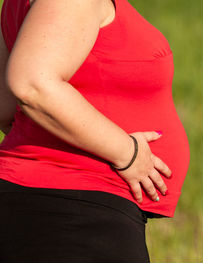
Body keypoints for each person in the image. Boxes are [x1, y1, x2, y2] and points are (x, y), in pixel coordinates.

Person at [0, 0, 190, 262]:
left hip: (43, 204)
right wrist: (128, 154)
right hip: (76, 213)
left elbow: (4, 105)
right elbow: (32, 84)